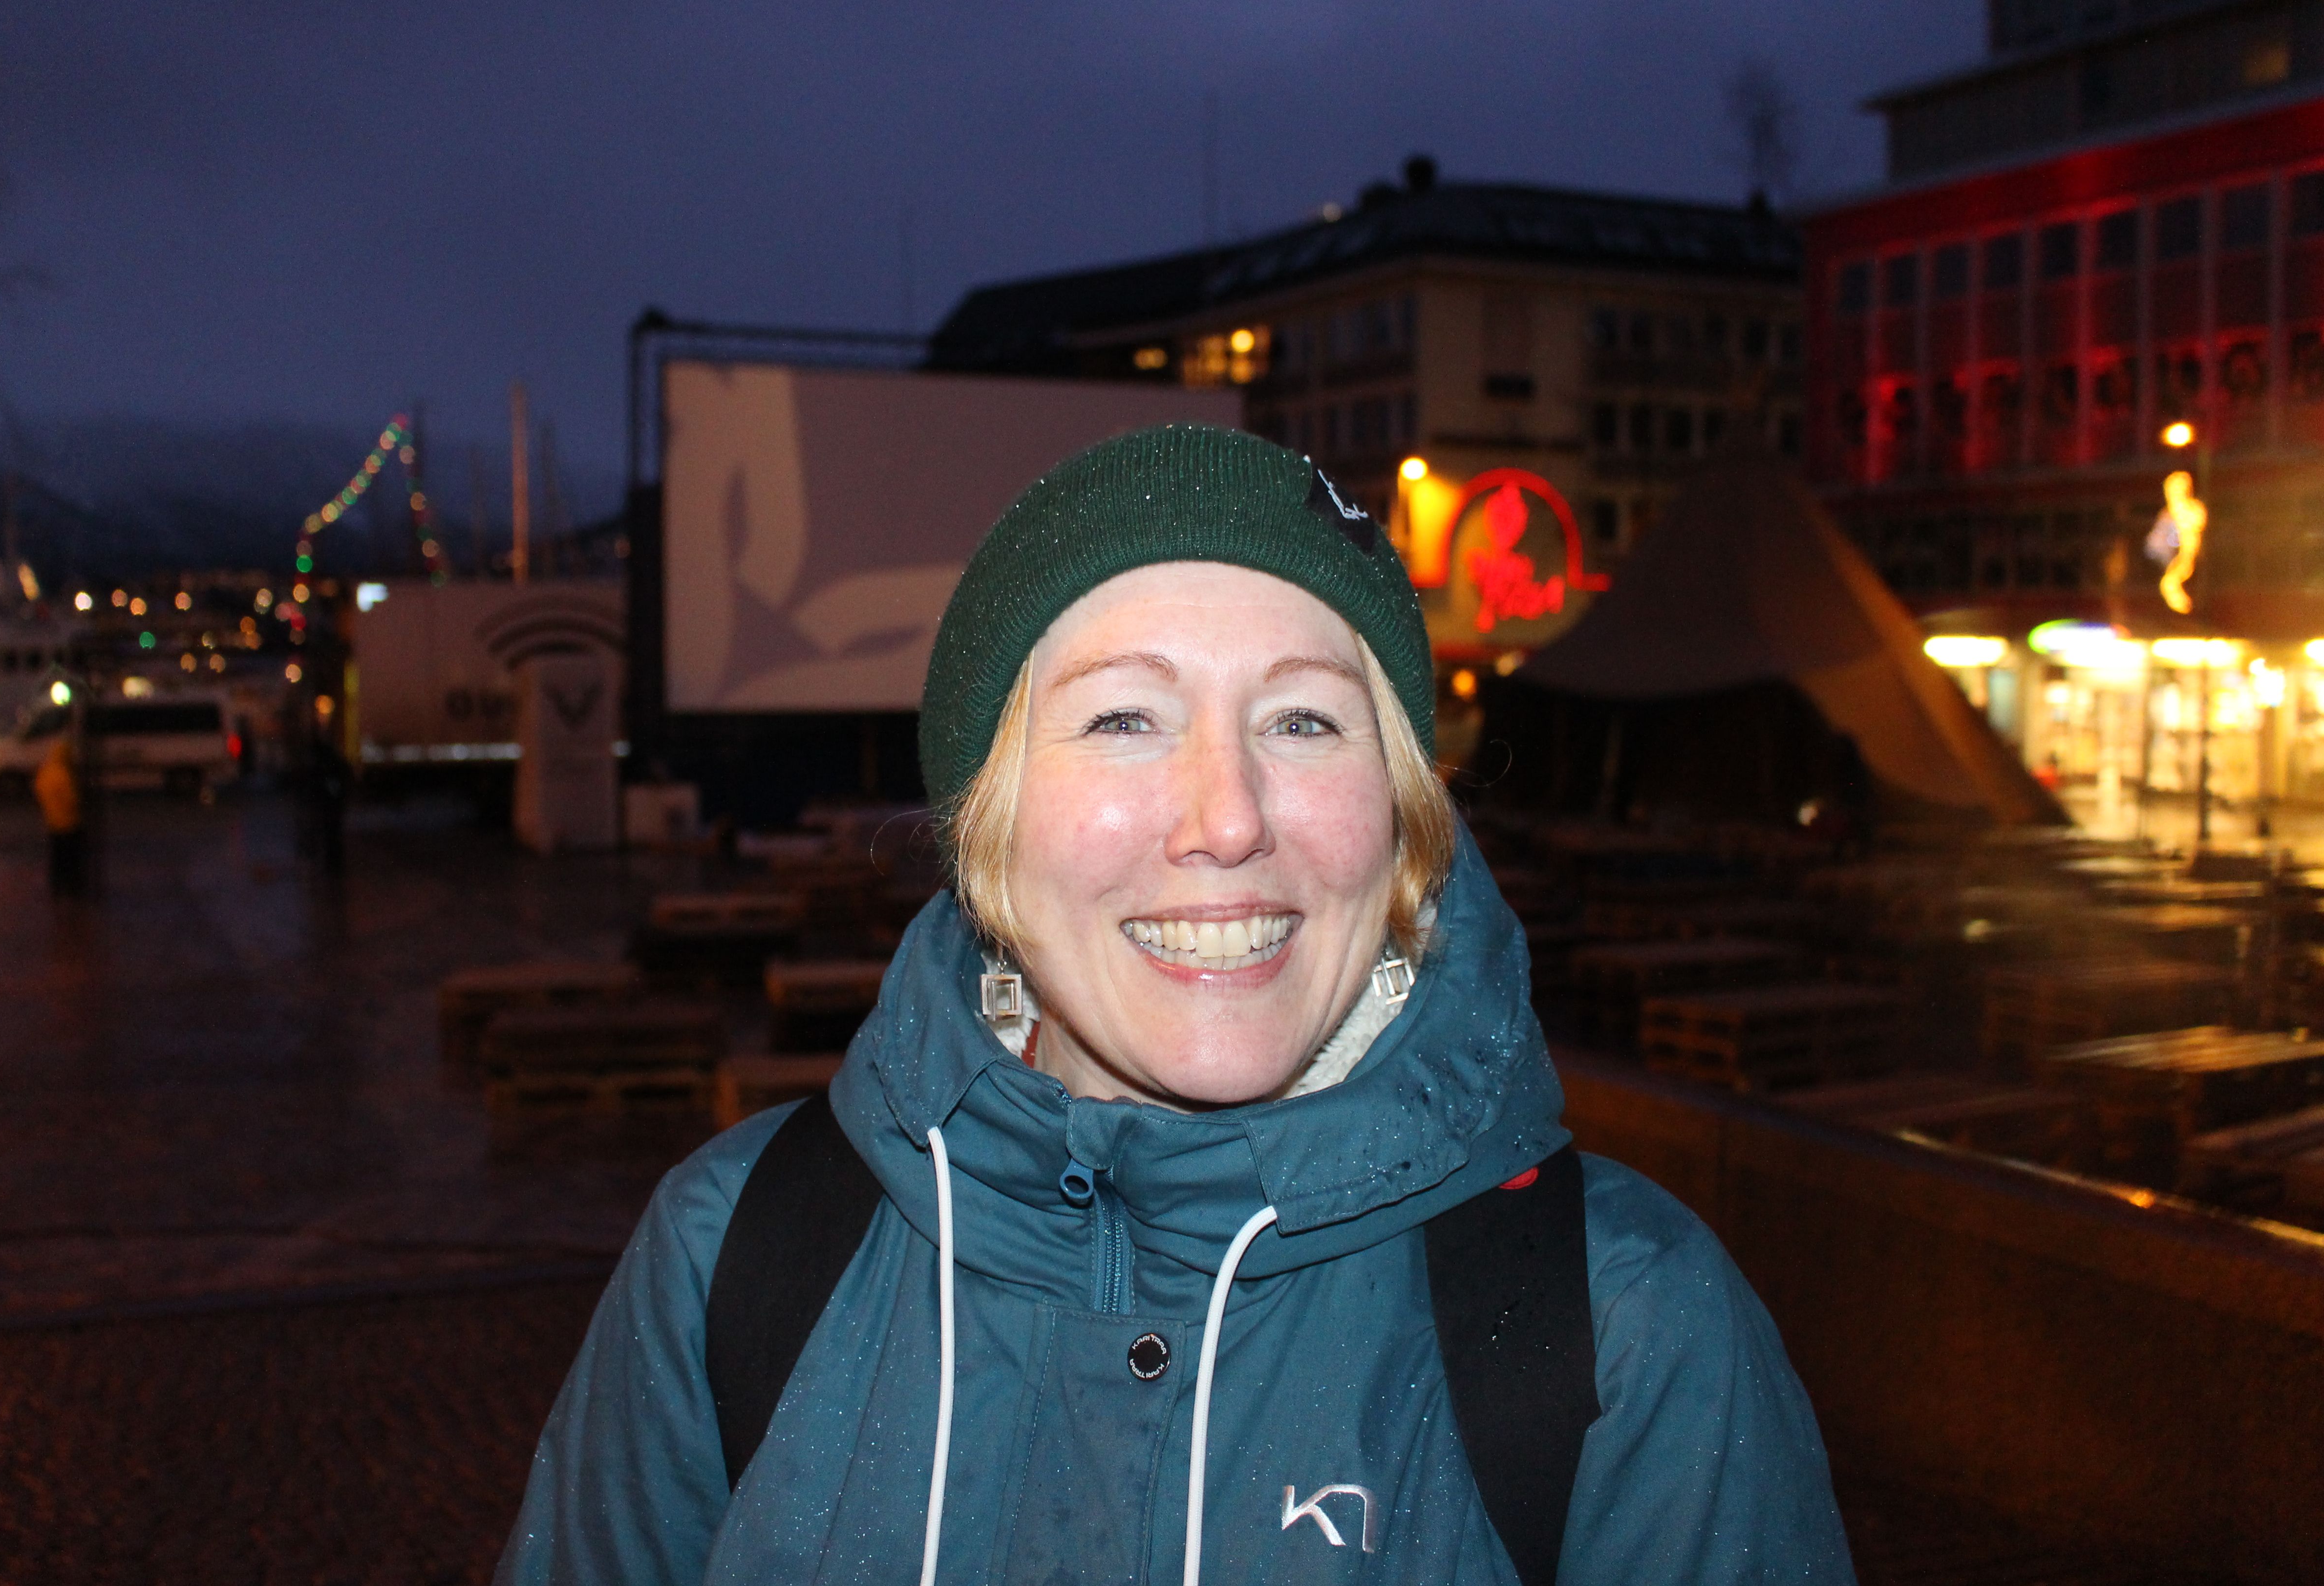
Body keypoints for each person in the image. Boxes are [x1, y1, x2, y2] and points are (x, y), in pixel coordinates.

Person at [497, 427, 1854, 1584]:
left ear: (1400, 821)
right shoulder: (735, 1260)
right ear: (987, 827)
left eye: (1305, 721)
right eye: (1124, 720)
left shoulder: (1627, 1328)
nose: (1227, 816)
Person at [33, 733, 84, 898]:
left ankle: (56, 886)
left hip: (52, 821)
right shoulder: (64, 775)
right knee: (71, 857)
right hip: (69, 823)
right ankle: (72, 887)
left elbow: (39, 790)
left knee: (56, 858)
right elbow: (72, 800)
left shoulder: (46, 773)